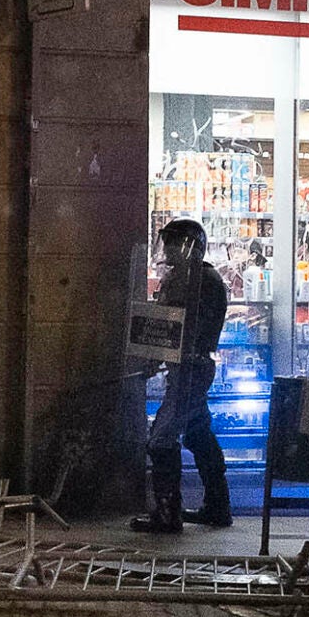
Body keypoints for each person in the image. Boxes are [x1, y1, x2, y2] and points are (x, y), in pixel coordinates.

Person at [131, 217, 231, 533]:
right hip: (187, 369)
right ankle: (218, 506)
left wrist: (157, 354)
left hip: (191, 369)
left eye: (175, 244)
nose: (170, 251)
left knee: (161, 438)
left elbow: (182, 329)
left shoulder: (202, 281)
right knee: (199, 434)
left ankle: (167, 512)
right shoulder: (191, 278)